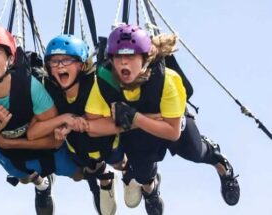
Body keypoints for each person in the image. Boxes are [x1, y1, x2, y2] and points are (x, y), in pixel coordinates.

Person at [84, 24, 240, 215]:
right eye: (118, 57)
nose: (124, 62)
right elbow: (91, 127)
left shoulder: (167, 79)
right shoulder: (104, 82)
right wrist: (131, 124)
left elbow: (172, 132)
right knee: (142, 172)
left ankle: (220, 163)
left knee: (195, 152)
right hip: (138, 132)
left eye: (131, 56)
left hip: (171, 124)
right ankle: (151, 190)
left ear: (144, 57)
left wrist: (134, 118)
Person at [0, 25, 83, 215]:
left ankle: (100, 179)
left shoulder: (30, 88)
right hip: (11, 157)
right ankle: (42, 186)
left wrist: (6, 141)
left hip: (45, 147)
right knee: (24, 178)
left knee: (79, 174)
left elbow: (56, 141)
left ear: (10, 58)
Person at [31, 34, 126, 215]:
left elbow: (119, 119)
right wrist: (59, 124)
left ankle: (127, 178)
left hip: (107, 143)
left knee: (120, 162)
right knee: (81, 173)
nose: (60, 66)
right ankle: (98, 182)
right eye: (54, 62)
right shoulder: (49, 89)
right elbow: (35, 129)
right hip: (77, 148)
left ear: (82, 65)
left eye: (66, 60)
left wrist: (80, 122)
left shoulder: (97, 83)